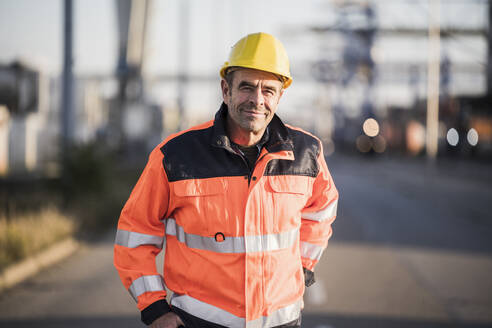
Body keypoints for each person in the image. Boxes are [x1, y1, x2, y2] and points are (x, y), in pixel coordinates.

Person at [114, 32, 339, 328]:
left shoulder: (306, 152)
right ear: (226, 89)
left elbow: (321, 211)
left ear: (280, 96)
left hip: (281, 321)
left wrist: (303, 266)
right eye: (246, 87)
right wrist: (154, 309)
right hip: (200, 321)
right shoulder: (175, 156)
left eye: (269, 90)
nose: (257, 100)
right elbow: (135, 234)